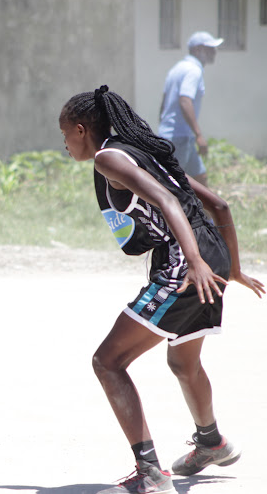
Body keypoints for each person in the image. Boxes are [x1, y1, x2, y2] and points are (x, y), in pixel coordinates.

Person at [59, 85, 264, 493]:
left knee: (108, 361)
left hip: (187, 266)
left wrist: (193, 261)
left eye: (64, 134)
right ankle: (210, 441)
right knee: (183, 364)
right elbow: (219, 205)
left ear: (82, 129)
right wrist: (231, 268)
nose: (64, 144)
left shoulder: (108, 158)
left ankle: (150, 474)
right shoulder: (145, 153)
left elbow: (170, 203)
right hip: (212, 258)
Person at [158, 31, 223, 187]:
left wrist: (163, 128)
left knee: (200, 178)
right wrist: (199, 135)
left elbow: (163, 104)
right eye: (210, 48)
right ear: (198, 50)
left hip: (176, 135)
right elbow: (185, 100)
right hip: (179, 138)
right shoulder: (193, 71)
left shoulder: (177, 69)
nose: (214, 52)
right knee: (173, 187)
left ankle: (205, 212)